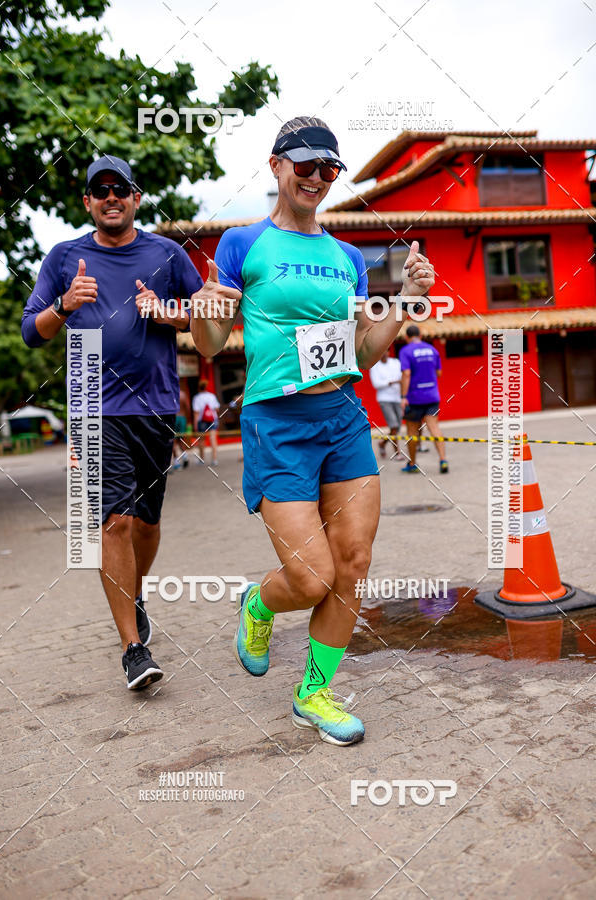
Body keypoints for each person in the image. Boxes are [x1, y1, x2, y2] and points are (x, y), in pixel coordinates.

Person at [190, 116, 435, 745]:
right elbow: (213, 346)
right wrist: (204, 314)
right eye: (306, 165)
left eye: (330, 169)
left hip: (343, 418)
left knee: (352, 563)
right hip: (277, 422)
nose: (319, 178)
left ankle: (314, 693)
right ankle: (259, 605)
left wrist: (405, 297)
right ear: (276, 165)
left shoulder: (348, 258)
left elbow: (363, 349)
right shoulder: (243, 244)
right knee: (310, 577)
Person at [21, 155, 203, 689]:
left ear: (135, 197)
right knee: (112, 522)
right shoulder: (63, 257)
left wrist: (165, 311)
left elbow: (209, 320)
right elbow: (32, 331)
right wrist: (63, 303)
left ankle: (136, 593)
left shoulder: (166, 254)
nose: (110, 198)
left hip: (155, 407)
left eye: (119, 189)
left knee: (145, 522)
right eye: (99, 191)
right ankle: (133, 648)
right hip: (91, 407)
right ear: (87, 203)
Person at [399, 324, 448, 473]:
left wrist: (403, 396)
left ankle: (413, 463)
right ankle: (443, 460)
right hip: (432, 396)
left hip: (414, 398)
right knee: (434, 428)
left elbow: (406, 374)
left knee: (412, 432)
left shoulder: (406, 351)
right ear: (420, 335)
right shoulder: (432, 350)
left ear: (407, 337)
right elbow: (439, 373)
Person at [369, 350, 404, 460]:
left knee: (397, 427)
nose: (384, 353)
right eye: (382, 351)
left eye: (386, 351)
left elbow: (402, 378)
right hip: (384, 399)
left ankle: (382, 443)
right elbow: (376, 384)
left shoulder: (395, 362)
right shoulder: (374, 367)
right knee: (393, 426)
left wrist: (392, 382)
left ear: (389, 352)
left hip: (397, 398)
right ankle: (397, 453)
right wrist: (392, 382)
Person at [192, 379, 220, 466]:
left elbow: (196, 412)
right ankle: (214, 459)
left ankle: (201, 459)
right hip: (213, 419)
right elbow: (217, 409)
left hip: (202, 421)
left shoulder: (196, 398)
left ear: (199, 388)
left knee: (201, 441)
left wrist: (195, 424)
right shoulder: (212, 396)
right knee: (213, 439)